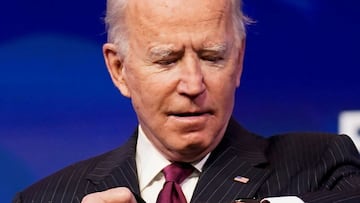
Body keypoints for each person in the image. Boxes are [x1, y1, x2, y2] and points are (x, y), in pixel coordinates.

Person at [13, 0, 360, 202]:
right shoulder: (45, 197)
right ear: (119, 69)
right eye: (166, 59)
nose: (194, 84)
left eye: (212, 57)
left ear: (238, 61)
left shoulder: (320, 165)